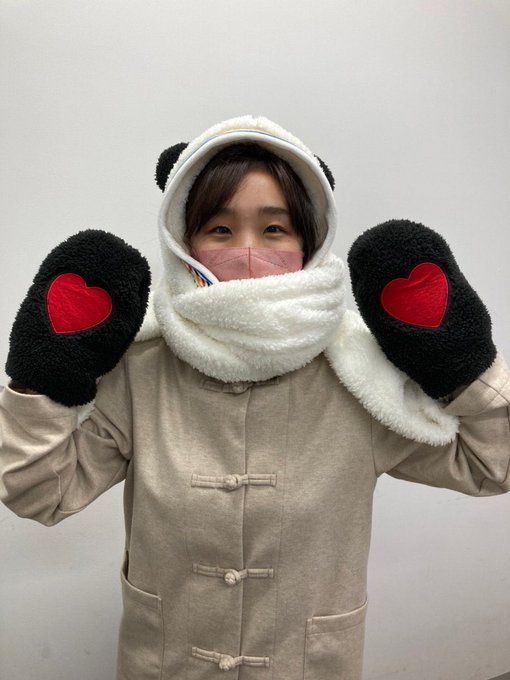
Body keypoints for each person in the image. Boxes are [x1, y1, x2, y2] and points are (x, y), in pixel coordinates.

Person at [1, 115, 509, 680]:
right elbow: (37, 491)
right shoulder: (143, 371)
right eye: (220, 229)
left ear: (310, 240)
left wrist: (463, 366)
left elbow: (492, 463)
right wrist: (41, 380)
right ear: (183, 240)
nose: (246, 250)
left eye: (274, 229)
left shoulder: (359, 373)